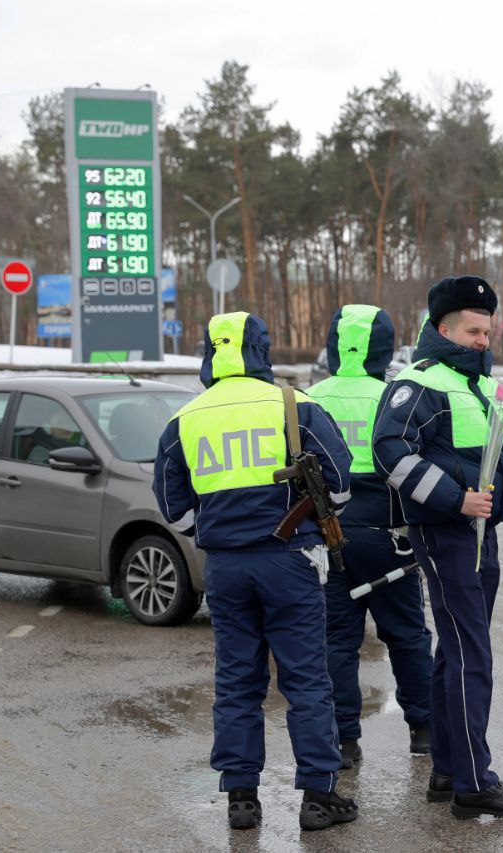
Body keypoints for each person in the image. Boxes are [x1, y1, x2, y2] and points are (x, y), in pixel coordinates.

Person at [153, 311, 359, 832]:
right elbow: (339, 489)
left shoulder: (186, 418)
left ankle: (241, 798)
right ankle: (318, 796)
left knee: (237, 682)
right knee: (307, 680)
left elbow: (174, 513)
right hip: (290, 562)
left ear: (210, 352)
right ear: (262, 350)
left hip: (224, 567)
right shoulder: (296, 405)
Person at [372, 276, 503, 819]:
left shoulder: (486, 387)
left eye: (487, 331)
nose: (482, 339)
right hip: (446, 535)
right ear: (443, 328)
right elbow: (389, 452)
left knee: (455, 651)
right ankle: (474, 782)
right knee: (471, 653)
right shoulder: (420, 382)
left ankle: (448, 770)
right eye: (473, 330)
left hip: (480, 537)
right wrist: (454, 500)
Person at [308, 304, 434, 769]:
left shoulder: (309, 397)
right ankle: (424, 730)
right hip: (390, 537)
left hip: (330, 534)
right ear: (384, 346)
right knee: (407, 637)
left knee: (337, 642)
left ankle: (344, 741)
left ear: (332, 345)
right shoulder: (397, 397)